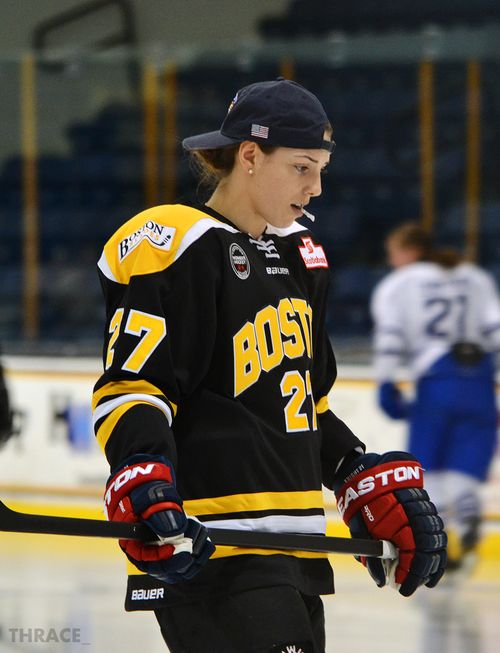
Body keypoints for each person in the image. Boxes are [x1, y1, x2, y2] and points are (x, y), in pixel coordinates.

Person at [92, 80, 446, 652]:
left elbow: (306, 402)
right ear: (251, 156)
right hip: (211, 549)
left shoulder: (300, 255)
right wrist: (141, 471)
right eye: (304, 167)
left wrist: (355, 472)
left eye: (323, 168)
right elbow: (134, 386)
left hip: (297, 550)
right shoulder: (177, 244)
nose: (317, 187)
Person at [371, 221, 500, 575]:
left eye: (394, 253)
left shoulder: (398, 285)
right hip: (479, 380)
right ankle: (469, 509)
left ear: (410, 252)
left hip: (435, 382)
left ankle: (440, 542)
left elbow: (391, 338)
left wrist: (386, 383)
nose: (391, 261)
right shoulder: (474, 278)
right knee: (468, 462)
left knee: (430, 466)